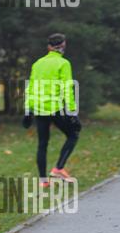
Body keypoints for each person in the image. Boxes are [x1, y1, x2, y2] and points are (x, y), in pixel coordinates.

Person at [23, 33, 80, 188]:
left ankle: (43, 181)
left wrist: (28, 111)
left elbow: (30, 88)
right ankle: (58, 169)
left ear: (49, 47)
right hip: (54, 108)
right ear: (63, 46)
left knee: (42, 144)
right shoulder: (63, 63)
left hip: (39, 109)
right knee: (73, 134)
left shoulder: (38, 64)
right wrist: (72, 112)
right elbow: (67, 88)